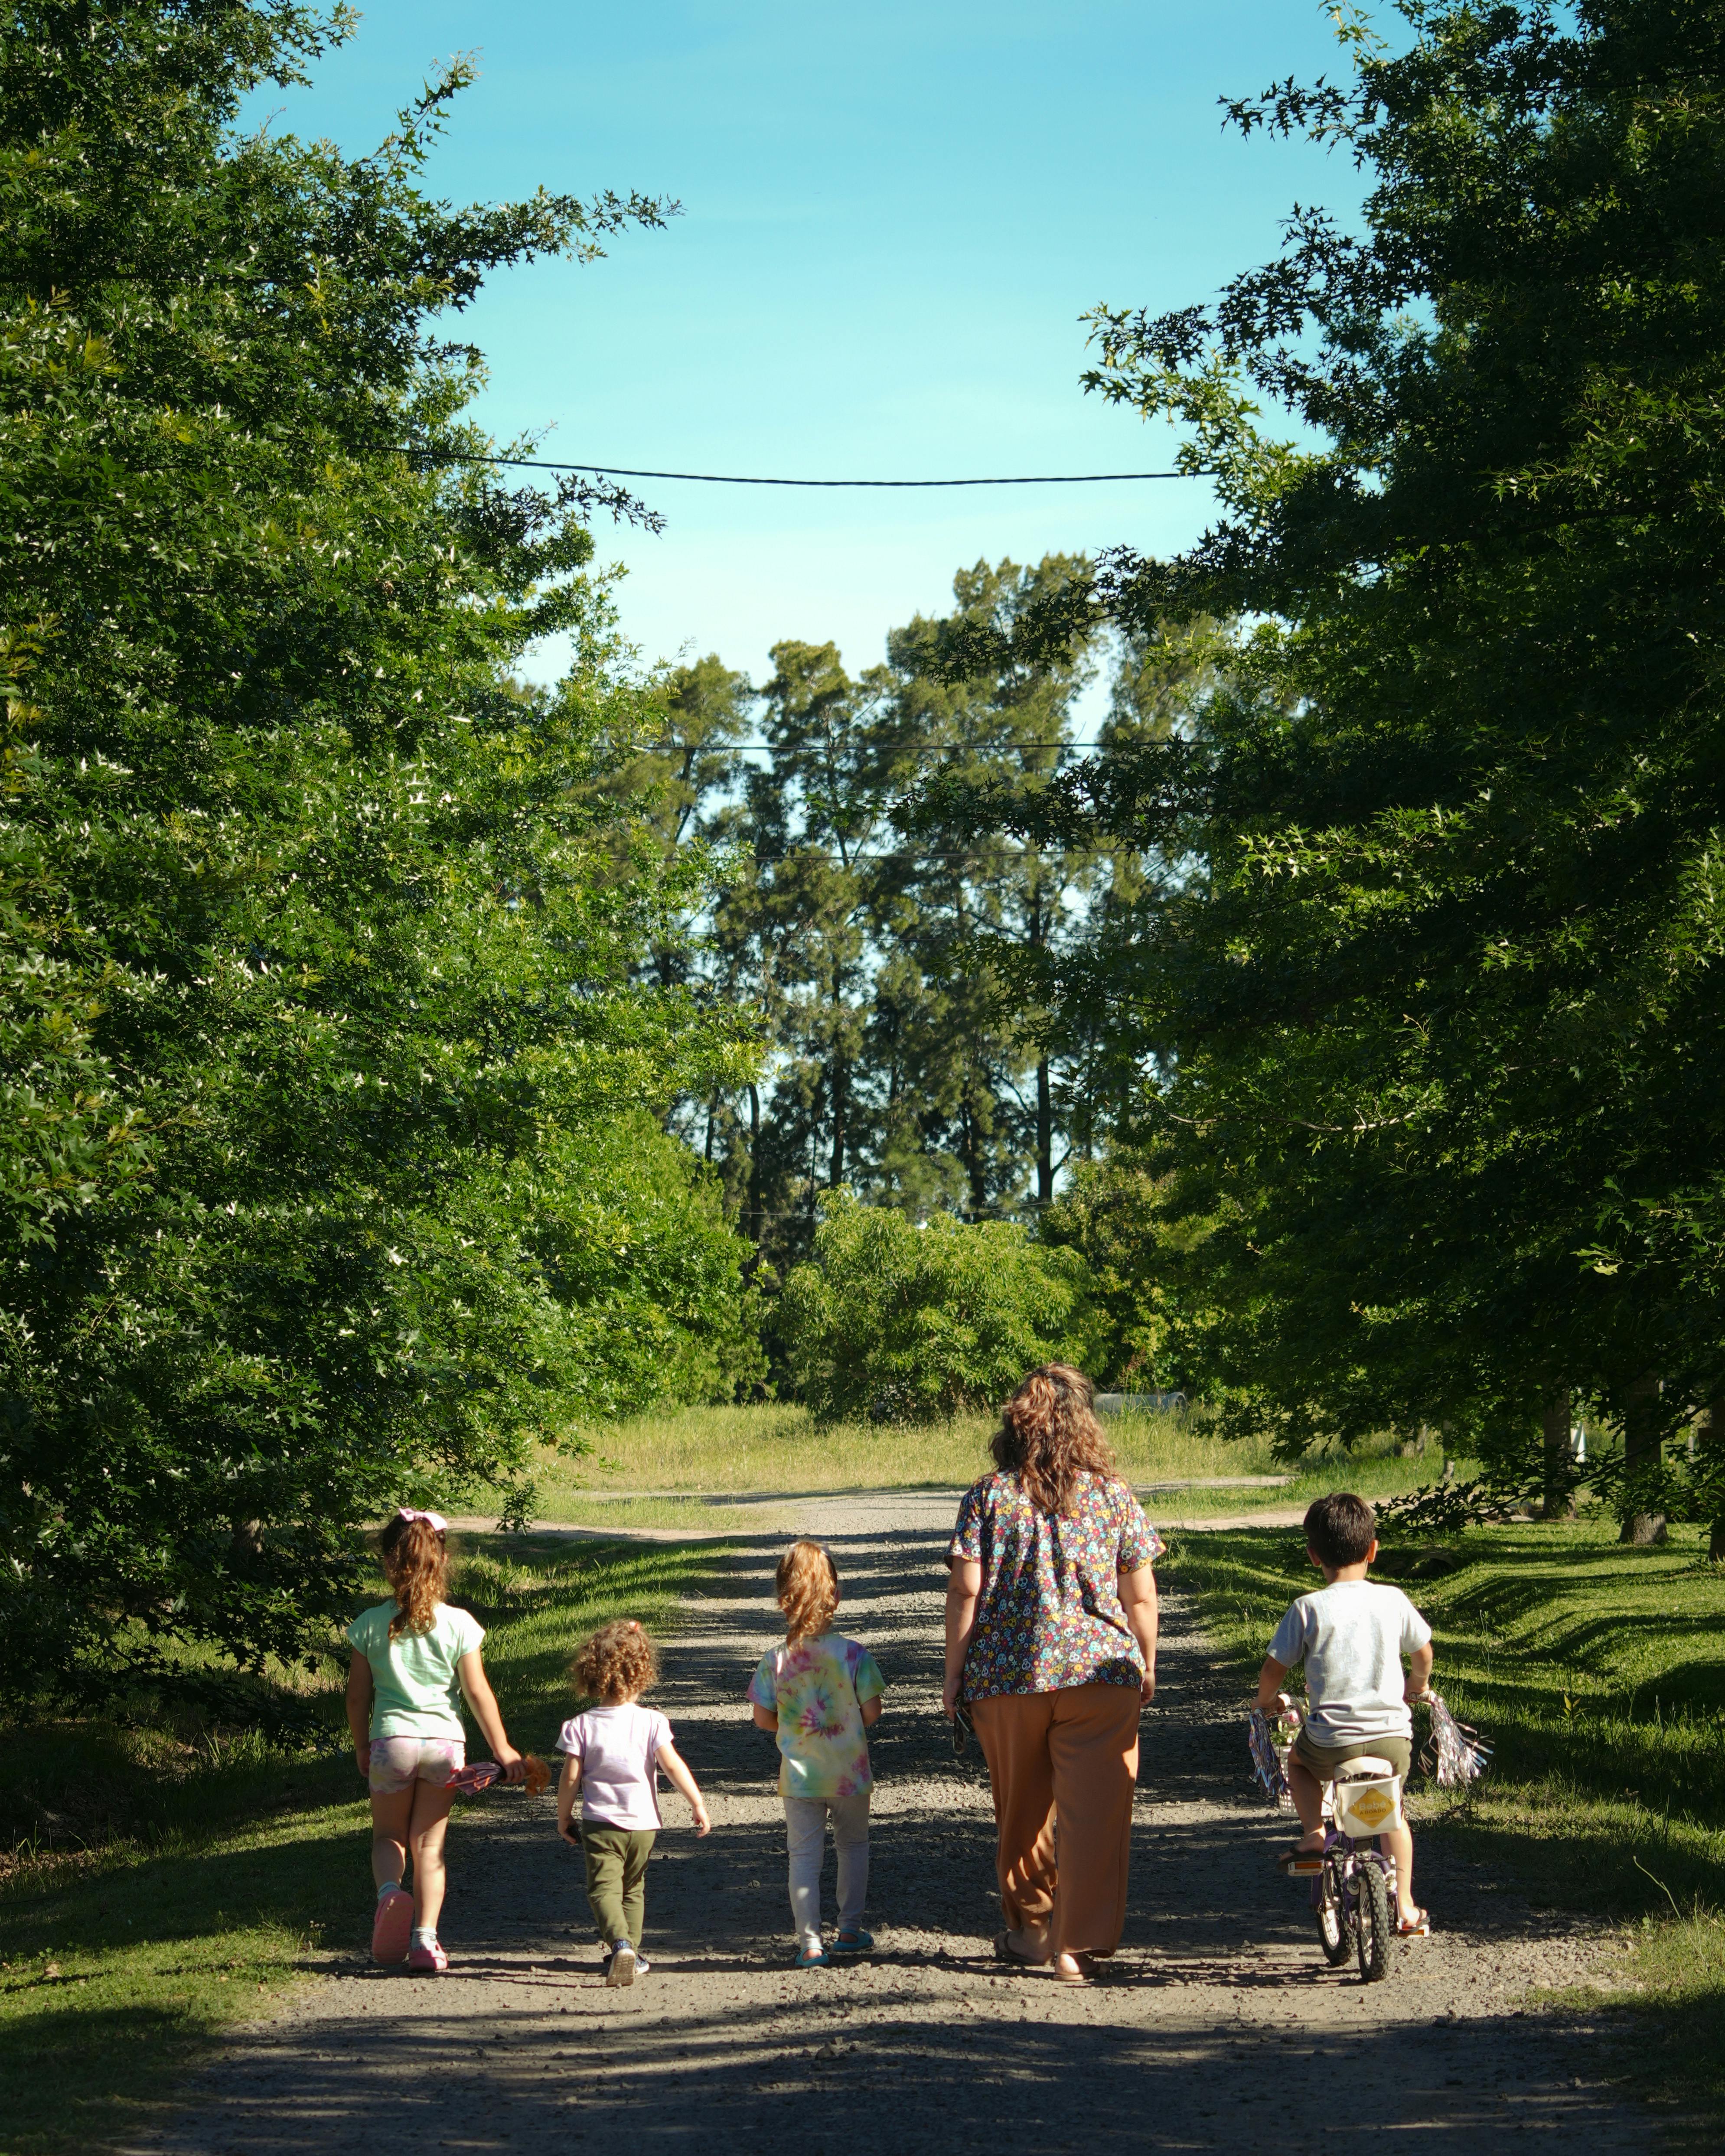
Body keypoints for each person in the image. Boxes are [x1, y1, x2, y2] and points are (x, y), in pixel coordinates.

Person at [943, 1365, 1162, 1984]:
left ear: (1014, 1424)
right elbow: (1139, 1595)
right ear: (1083, 1423)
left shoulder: (988, 1494)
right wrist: (1144, 1660)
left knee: (1021, 1810)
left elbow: (965, 1589)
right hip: (1101, 1673)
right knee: (1097, 1813)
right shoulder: (1112, 1494)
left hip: (1007, 1677)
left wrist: (952, 1675)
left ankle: (1032, 1929)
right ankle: (1078, 1947)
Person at [346, 1508, 526, 1974]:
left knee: (388, 1836)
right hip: (444, 1746)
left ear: (389, 1564)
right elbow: (478, 1692)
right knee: (429, 1845)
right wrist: (504, 1749)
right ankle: (426, 1940)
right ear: (441, 1561)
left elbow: (357, 1697)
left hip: (391, 1743)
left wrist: (362, 1746)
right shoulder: (460, 1624)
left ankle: (390, 1894)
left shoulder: (369, 1624)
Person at [1255, 1490, 1435, 1937]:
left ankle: (1315, 1831)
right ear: (1373, 1550)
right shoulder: (1392, 1599)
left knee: (1297, 1764)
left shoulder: (1308, 1608)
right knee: (1393, 1813)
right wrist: (1418, 1685)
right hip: (1392, 1738)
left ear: (1312, 1555)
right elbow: (1423, 1652)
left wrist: (1266, 1704)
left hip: (1332, 1740)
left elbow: (1274, 1669)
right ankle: (1407, 1904)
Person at [748, 1540, 886, 1968]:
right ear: (837, 1597)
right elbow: (871, 1713)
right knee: (853, 1846)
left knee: (804, 1857)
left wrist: (793, 1726)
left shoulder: (776, 1660)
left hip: (801, 1778)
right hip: (849, 1775)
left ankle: (809, 1942)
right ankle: (849, 1928)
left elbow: (761, 1719)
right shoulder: (853, 1656)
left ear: (781, 1600)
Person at [556, 1618, 710, 1987]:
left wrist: (563, 1816)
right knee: (633, 1887)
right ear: (643, 1673)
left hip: (600, 1823)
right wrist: (697, 1803)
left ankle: (620, 1944)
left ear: (590, 1672)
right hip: (644, 1825)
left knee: (603, 1889)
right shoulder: (652, 1722)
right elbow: (673, 1766)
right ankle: (632, 1953)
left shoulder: (581, 1725)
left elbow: (570, 1778)